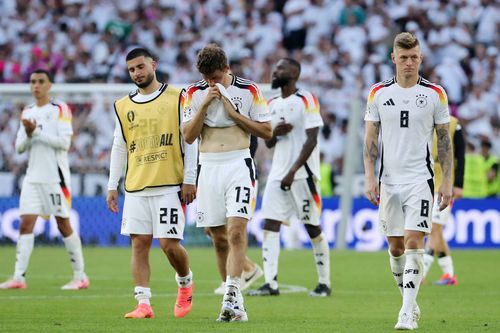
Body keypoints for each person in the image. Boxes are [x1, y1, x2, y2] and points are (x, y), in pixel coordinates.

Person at [363, 32, 453, 330]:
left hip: (420, 180)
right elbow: (370, 139)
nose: (409, 62)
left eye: (414, 57)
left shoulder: (435, 93)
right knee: (395, 247)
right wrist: (369, 177)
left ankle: (405, 312)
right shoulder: (378, 92)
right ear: (393, 58)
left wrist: (447, 180)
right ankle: (411, 304)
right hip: (389, 181)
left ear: (421, 58)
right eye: (403, 57)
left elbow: (444, 140)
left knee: (415, 242)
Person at [182, 44, 272, 322]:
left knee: (235, 230)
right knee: (217, 237)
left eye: (217, 78)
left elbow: (267, 131)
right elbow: (188, 136)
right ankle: (235, 304)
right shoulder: (193, 93)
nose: (212, 83)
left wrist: (235, 116)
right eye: (207, 78)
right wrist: (206, 104)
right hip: (207, 167)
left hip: (238, 164)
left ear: (227, 69)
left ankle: (232, 292)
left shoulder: (249, 91)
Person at [106, 48, 196, 319]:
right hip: (135, 186)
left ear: (153, 64)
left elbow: (190, 141)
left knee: (169, 245)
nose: (137, 73)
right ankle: (143, 303)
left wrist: (190, 179)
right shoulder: (123, 105)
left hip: (170, 184)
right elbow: (119, 146)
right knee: (139, 243)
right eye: (132, 69)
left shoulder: (178, 96)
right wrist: (113, 185)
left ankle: (185, 282)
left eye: (141, 67)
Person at [248, 58, 331, 297]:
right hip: (277, 173)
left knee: (312, 227)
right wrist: (275, 133)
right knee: (270, 224)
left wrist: (293, 171)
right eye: (275, 68)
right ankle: (271, 283)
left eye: (280, 69)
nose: (275, 72)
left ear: (294, 73)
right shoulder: (271, 103)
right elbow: (269, 141)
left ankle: (324, 282)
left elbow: (312, 139)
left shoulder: (306, 99)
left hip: (302, 174)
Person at [0, 69, 89, 290]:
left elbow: (64, 144)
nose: (36, 86)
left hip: (54, 178)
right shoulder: (28, 111)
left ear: (49, 85)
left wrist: (36, 132)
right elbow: (20, 148)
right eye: (33, 82)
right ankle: (19, 278)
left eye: (41, 81)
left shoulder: (59, 109)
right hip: (32, 177)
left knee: (63, 224)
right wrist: (29, 133)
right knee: (25, 225)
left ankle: (80, 276)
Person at [211, 135, 263, 296]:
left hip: (240, 173)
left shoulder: (243, 112)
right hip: (212, 171)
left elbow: (254, 138)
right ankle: (246, 269)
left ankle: (237, 278)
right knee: (214, 230)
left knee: (235, 230)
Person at [422, 116, 465, 286]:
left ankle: (422, 272)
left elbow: (461, 156)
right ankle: (449, 274)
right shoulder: (423, 117)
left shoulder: (454, 124)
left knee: (434, 228)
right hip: (425, 181)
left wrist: (459, 184)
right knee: (436, 231)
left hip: (446, 184)